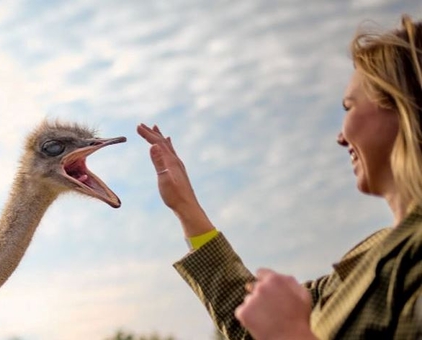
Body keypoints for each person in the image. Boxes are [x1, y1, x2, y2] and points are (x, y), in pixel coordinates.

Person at [137, 14, 422, 339]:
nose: (340, 137)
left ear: (404, 108)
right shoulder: (377, 252)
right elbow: (252, 327)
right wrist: (185, 206)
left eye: (349, 106)